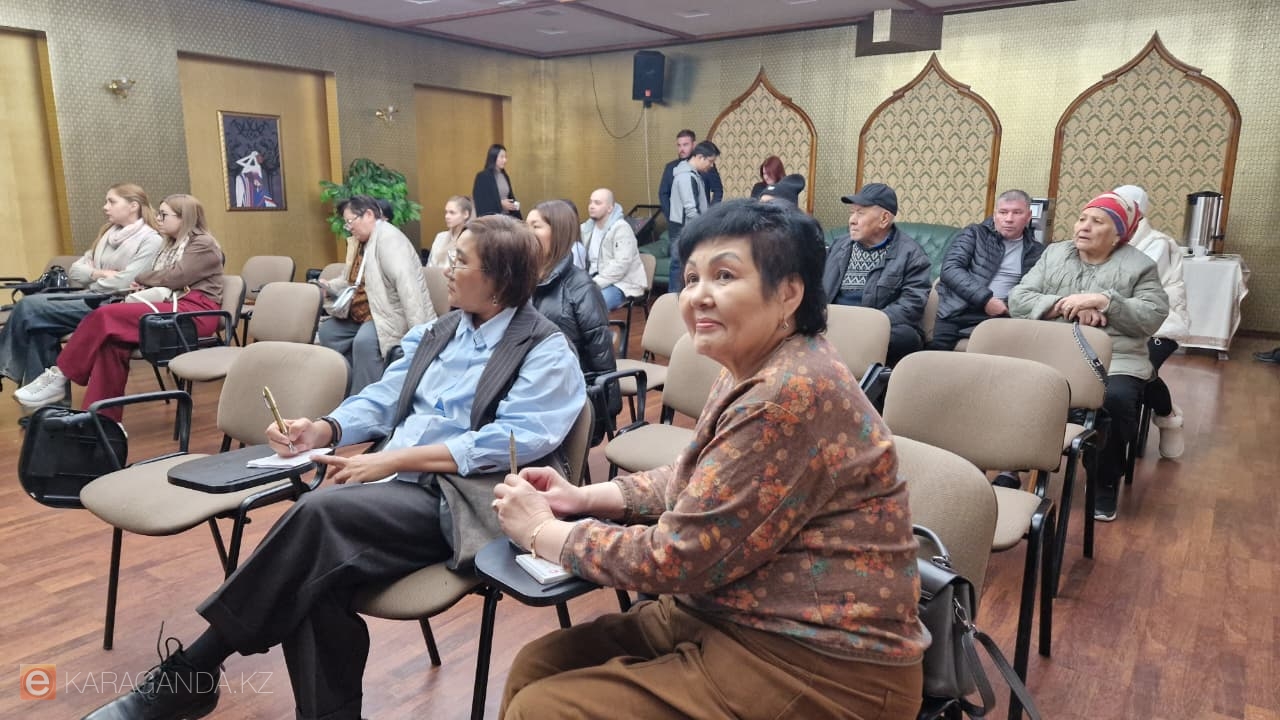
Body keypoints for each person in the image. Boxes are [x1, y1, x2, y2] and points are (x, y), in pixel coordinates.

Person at [81, 215, 587, 720]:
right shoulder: (441, 331)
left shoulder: (544, 348)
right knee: (314, 582)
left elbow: (509, 441)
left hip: (461, 502)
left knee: (315, 517)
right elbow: (383, 397)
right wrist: (323, 429)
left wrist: (392, 458)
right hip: (394, 487)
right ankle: (209, 683)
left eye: (460, 261)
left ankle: (194, 671)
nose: (447, 270)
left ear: (499, 280)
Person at [493, 199, 926, 720]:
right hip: (728, 612)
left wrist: (542, 532)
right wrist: (584, 496)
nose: (698, 295)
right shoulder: (754, 363)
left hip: (818, 663)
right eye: (692, 277)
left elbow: (678, 556)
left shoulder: (787, 395)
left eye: (724, 275)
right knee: (537, 665)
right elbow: (697, 478)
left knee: (542, 708)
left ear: (788, 293)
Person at [1009, 191, 1168, 522]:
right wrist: (1066, 304)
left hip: (1114, 357)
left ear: (1118, 235)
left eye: (1097, 222)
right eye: (1082, 218)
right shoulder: (1055, 254)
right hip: (1054, 349)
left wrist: (1105, 302)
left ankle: (1104, 479)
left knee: (1116, 400)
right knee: (1016, 384)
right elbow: (1019, 298)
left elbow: (1152, 316)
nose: (1083, 226)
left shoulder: (1140, 265)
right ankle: (1013, 463)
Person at [15, 194, 224, 422]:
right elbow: (166, 278)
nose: (158, 219)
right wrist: (150, 281)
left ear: (185, 218)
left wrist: (142, 278)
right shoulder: (170, 245)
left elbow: (174, 277)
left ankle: (60, 375)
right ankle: (102, 422)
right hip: (171, 306)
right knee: (112, 345)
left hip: (194, 314)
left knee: (105, 315)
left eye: (164, 215)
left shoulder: (203, 244)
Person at [1, 183, 163, 397]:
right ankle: (48, 409)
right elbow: (76, 270)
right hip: (90, 297)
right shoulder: (108, 233)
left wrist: (93, 280)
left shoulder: (151, 240)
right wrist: (99, 273)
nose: (105, 207)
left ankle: (7, 372)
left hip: (113, 305)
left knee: (28, 306)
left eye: (111, 201)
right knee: (39, 326)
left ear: (133, 206)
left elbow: (124, 283)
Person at [318, 195, 434, 396]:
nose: (349, 228)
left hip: (390, 313)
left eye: (350, 221)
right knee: (329, 332)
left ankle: (367, 396)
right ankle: (351, 383)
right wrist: (329, 287)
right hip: (365, 311)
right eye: (347, 223)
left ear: (369, 215)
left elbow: (409, 289)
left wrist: (420, 333)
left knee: (365, 342)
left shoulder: (389, 240)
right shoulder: (360, 242)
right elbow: (351, 279)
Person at [528, 200, 620, 438]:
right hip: (531, 386)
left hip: (565, 394)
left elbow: (601, 353)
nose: (527, 233)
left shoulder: (581, 287)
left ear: (558, 232)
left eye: (535, 226)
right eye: (525, 226)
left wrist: (607, 409)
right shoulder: (524, 280)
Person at [1114, 184, 1191, 458]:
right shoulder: (1104, 238)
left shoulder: (1158, 243)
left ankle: (1167, 416)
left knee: (1137, 370)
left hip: (1157, 326)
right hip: (1113, 323)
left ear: (1138, 213)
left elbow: (1128, 284)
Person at [822, 182, 931, 365]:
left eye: (860, 213)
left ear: (884, 219)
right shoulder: (838, 246)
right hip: (835, 321)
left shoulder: (912, 255)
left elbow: (911, 304)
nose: (852, 220)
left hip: (877, 325)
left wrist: (868, 324)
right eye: (852, 213)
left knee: (906, 337)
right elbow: (816, 288)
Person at [927, 189, 1045, 351]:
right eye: (1003, 212)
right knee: (936, 356)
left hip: (1002, 314)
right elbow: (950, 269)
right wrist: (985, 300)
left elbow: (1033, 289)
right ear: (995, 214)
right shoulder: (974, 233)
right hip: (958, 309)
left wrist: (1006, 307)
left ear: (1029, 216)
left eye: (1017, 212)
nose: (1009, 219)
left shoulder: (1036, 251)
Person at [580, 188, 647, 311]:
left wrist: (594, 284)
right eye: (590, 202)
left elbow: (621, 265)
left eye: (597, 203)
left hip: (622, 284)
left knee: (591, 307)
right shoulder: (587, 229)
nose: (591, 206)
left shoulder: (621, 229)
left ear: (610, 208)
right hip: (594, 279)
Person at [666, 141, 720, 293]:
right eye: (710, 161)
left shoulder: (691, 174)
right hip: (685, 230)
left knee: (681, 268)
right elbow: (691, 210)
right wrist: (701, 231)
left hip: (684, 228)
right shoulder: (686, 177)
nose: (711, 166)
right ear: (700, 157)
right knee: (680, 269)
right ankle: (675, 302)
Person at [658, 130, 723, 223]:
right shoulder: (671, 167)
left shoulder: (707, 165)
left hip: (700, 219)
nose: (681, 149)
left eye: (685, 145)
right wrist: (671, 217)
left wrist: (710, 214)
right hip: (681, 222)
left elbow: (718, 191)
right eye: (679, 145)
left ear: (694, 145)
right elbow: (663, 194)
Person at [472, 143, 521, 218]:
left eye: (505, 157)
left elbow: (510, 196)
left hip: (507, 217)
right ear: (493, 157)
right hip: (493, 220)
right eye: (502, 157)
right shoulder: (482, 177)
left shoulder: (505, 176)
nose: (505, 160)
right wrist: (500, 204)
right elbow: (481, 201)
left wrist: (514, 205)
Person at [426, 195, 473, 269]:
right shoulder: (440, 237)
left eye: (452, 213)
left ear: (465, 214)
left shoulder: (473, 239)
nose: (447, 216)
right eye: (446, 212)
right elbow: (430, 265)